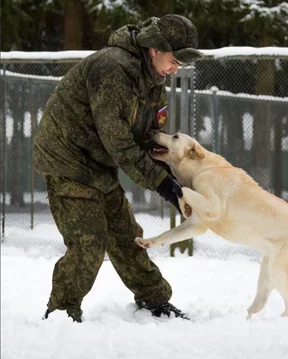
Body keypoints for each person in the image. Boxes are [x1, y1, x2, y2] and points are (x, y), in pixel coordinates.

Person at [33, 14, 203, 323]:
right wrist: (164, 186)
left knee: (126, 235)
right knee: (90, 240)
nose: (177, 68)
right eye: (176, 59)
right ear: (155, 49)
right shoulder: (113, 68)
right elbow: (121, 144)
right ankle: (61, 311)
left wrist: (180, 183)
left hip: (98, 161)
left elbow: (149, 140)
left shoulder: (154, 83)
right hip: (67, 159)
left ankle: (155, 300)